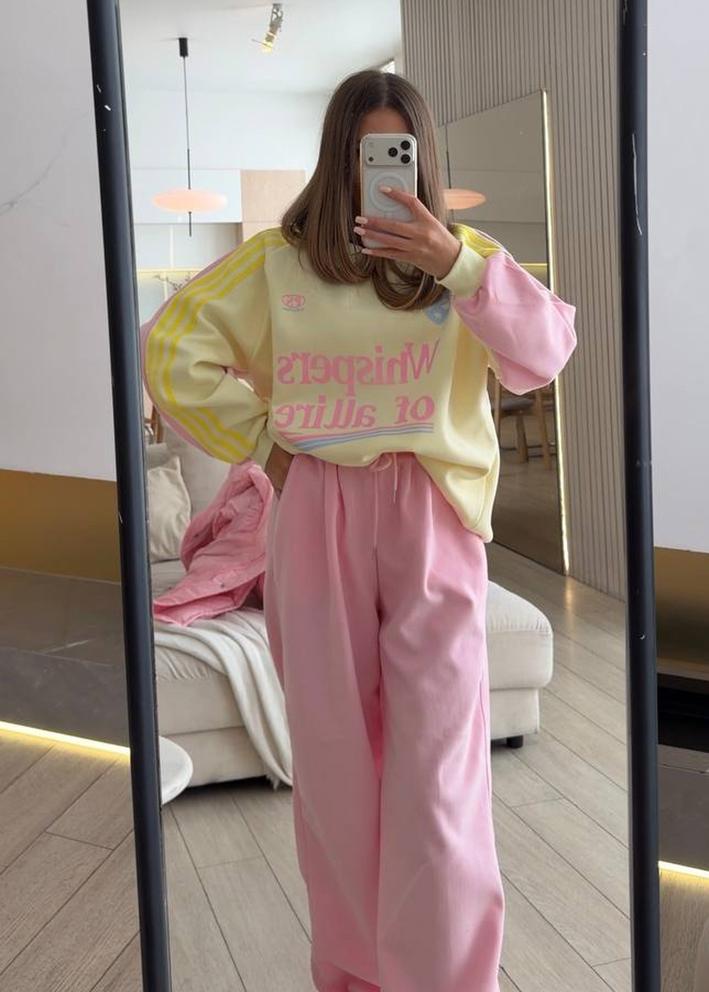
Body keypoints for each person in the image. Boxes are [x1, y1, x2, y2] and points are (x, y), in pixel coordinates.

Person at [141, 69, 577, 992]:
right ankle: (353, 974)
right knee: (335, 765)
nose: (380, 174)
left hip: (432, 515)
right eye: (363, 153)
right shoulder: (277, 261)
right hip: (317, 509)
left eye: (397, 154)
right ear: (337, 159)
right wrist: (264, 440)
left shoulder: (468, 259)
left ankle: (447, 978)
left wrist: (453, 262)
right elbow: (170, 347)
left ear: (422, 161)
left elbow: (544, 355)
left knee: (441, 768)